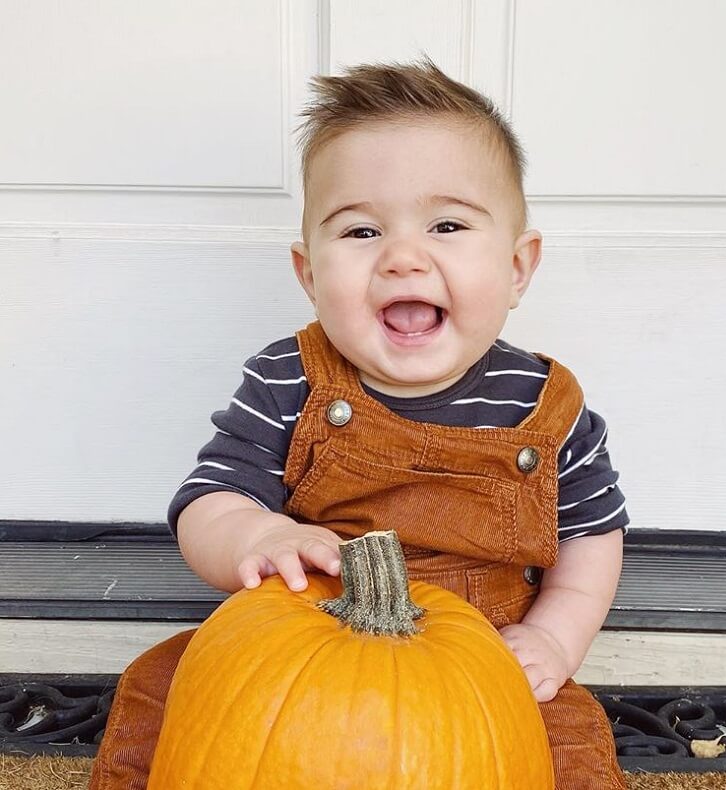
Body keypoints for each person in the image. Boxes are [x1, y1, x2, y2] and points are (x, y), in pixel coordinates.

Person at [90, 57, 629, 789]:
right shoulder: (290, 380)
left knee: (570, 750)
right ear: (309, 274)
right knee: (160, 696)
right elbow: (209, 497)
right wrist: (259, 534)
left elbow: (591, 538)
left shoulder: (547, 408)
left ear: (517, 268)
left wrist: (552, 639)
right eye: (362, 232)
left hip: (481, 657)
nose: (404, 258)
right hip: (306, 636)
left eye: (446, 224)